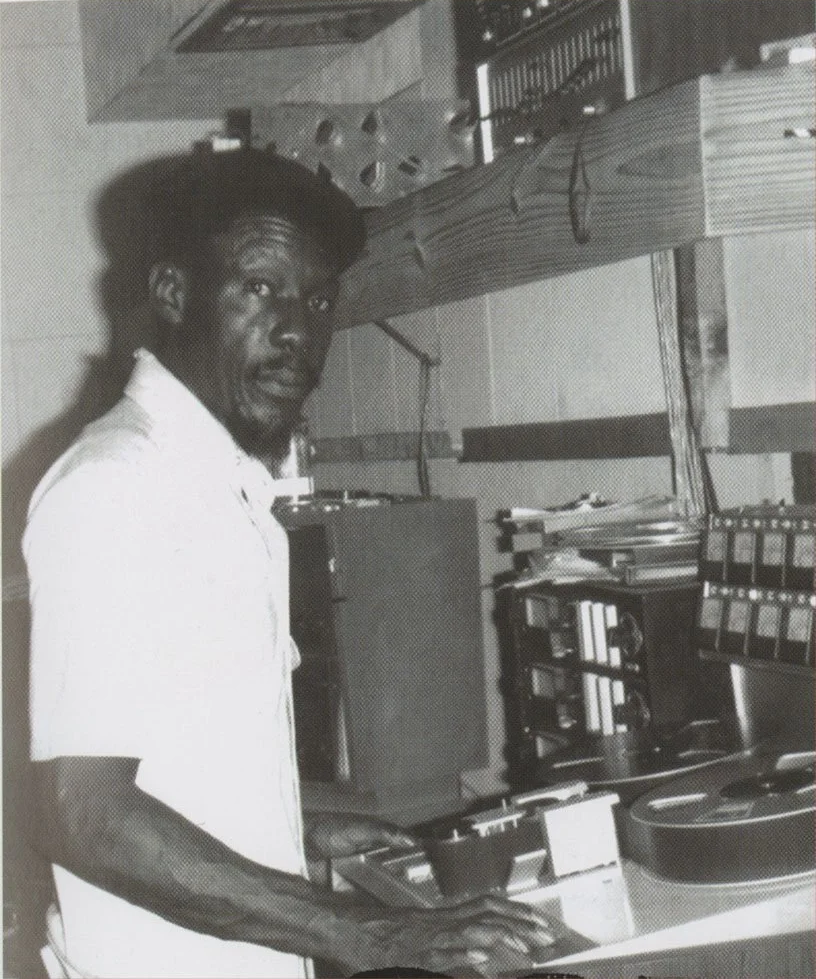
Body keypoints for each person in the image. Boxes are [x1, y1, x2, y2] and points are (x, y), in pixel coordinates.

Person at [24, 146, 554, 979]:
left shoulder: (223, 487)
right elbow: (85, 811)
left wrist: (295, 827)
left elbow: (175, 756)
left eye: (317, 298)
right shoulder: (114, 486)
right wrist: (368, 932)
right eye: (260, 288)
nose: (298, 331)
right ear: (174, 293)